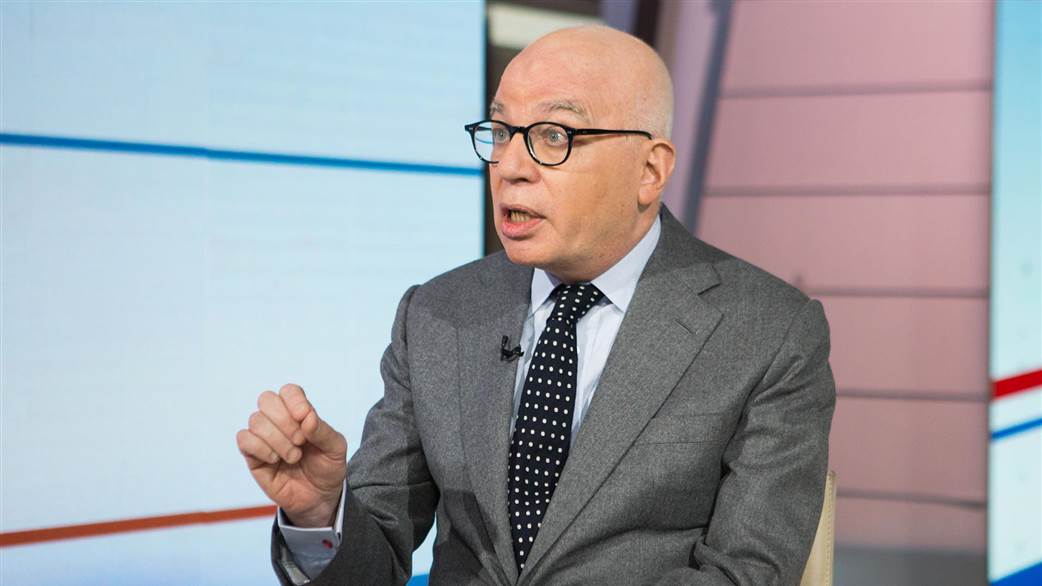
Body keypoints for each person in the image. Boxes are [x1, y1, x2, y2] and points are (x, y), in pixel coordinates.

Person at [237, 26, 835, 586]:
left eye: (554, 136)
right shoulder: (438, 313)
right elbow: (377, 560)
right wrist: (321, 512)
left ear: (649, 170)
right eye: (500, 133)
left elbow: (742, 573)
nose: (511, 168)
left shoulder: (769, 332)